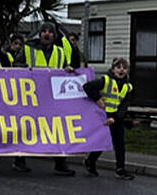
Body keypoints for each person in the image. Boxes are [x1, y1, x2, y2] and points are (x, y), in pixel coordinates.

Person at [13, 21, 75, 176]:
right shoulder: (27, 49)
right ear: (40, 34)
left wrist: (68, 70)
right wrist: (26, 69)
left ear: (54, 36)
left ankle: (60, 163)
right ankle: (19, 160)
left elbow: (64, 68)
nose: (47, 34)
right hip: (30, 97)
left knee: (57, 130)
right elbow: (15, 66)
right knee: (27, 129)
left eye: (50, 32)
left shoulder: (60, 52)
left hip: (51, 98)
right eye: (44, 31)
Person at [83, 58, 135, 180]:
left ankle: (120, 169)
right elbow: (87, 87)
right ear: (113, 69)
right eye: (118, 67)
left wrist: (116, 118)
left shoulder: (128, 87)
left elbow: (124, 105)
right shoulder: (105, 80)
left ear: (127, 70)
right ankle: (90, 161)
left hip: (116, 117)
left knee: (120, 144)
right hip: (102, 116)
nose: (121, 69)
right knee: (102, 142)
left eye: (124, 67)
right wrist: (97, 99)